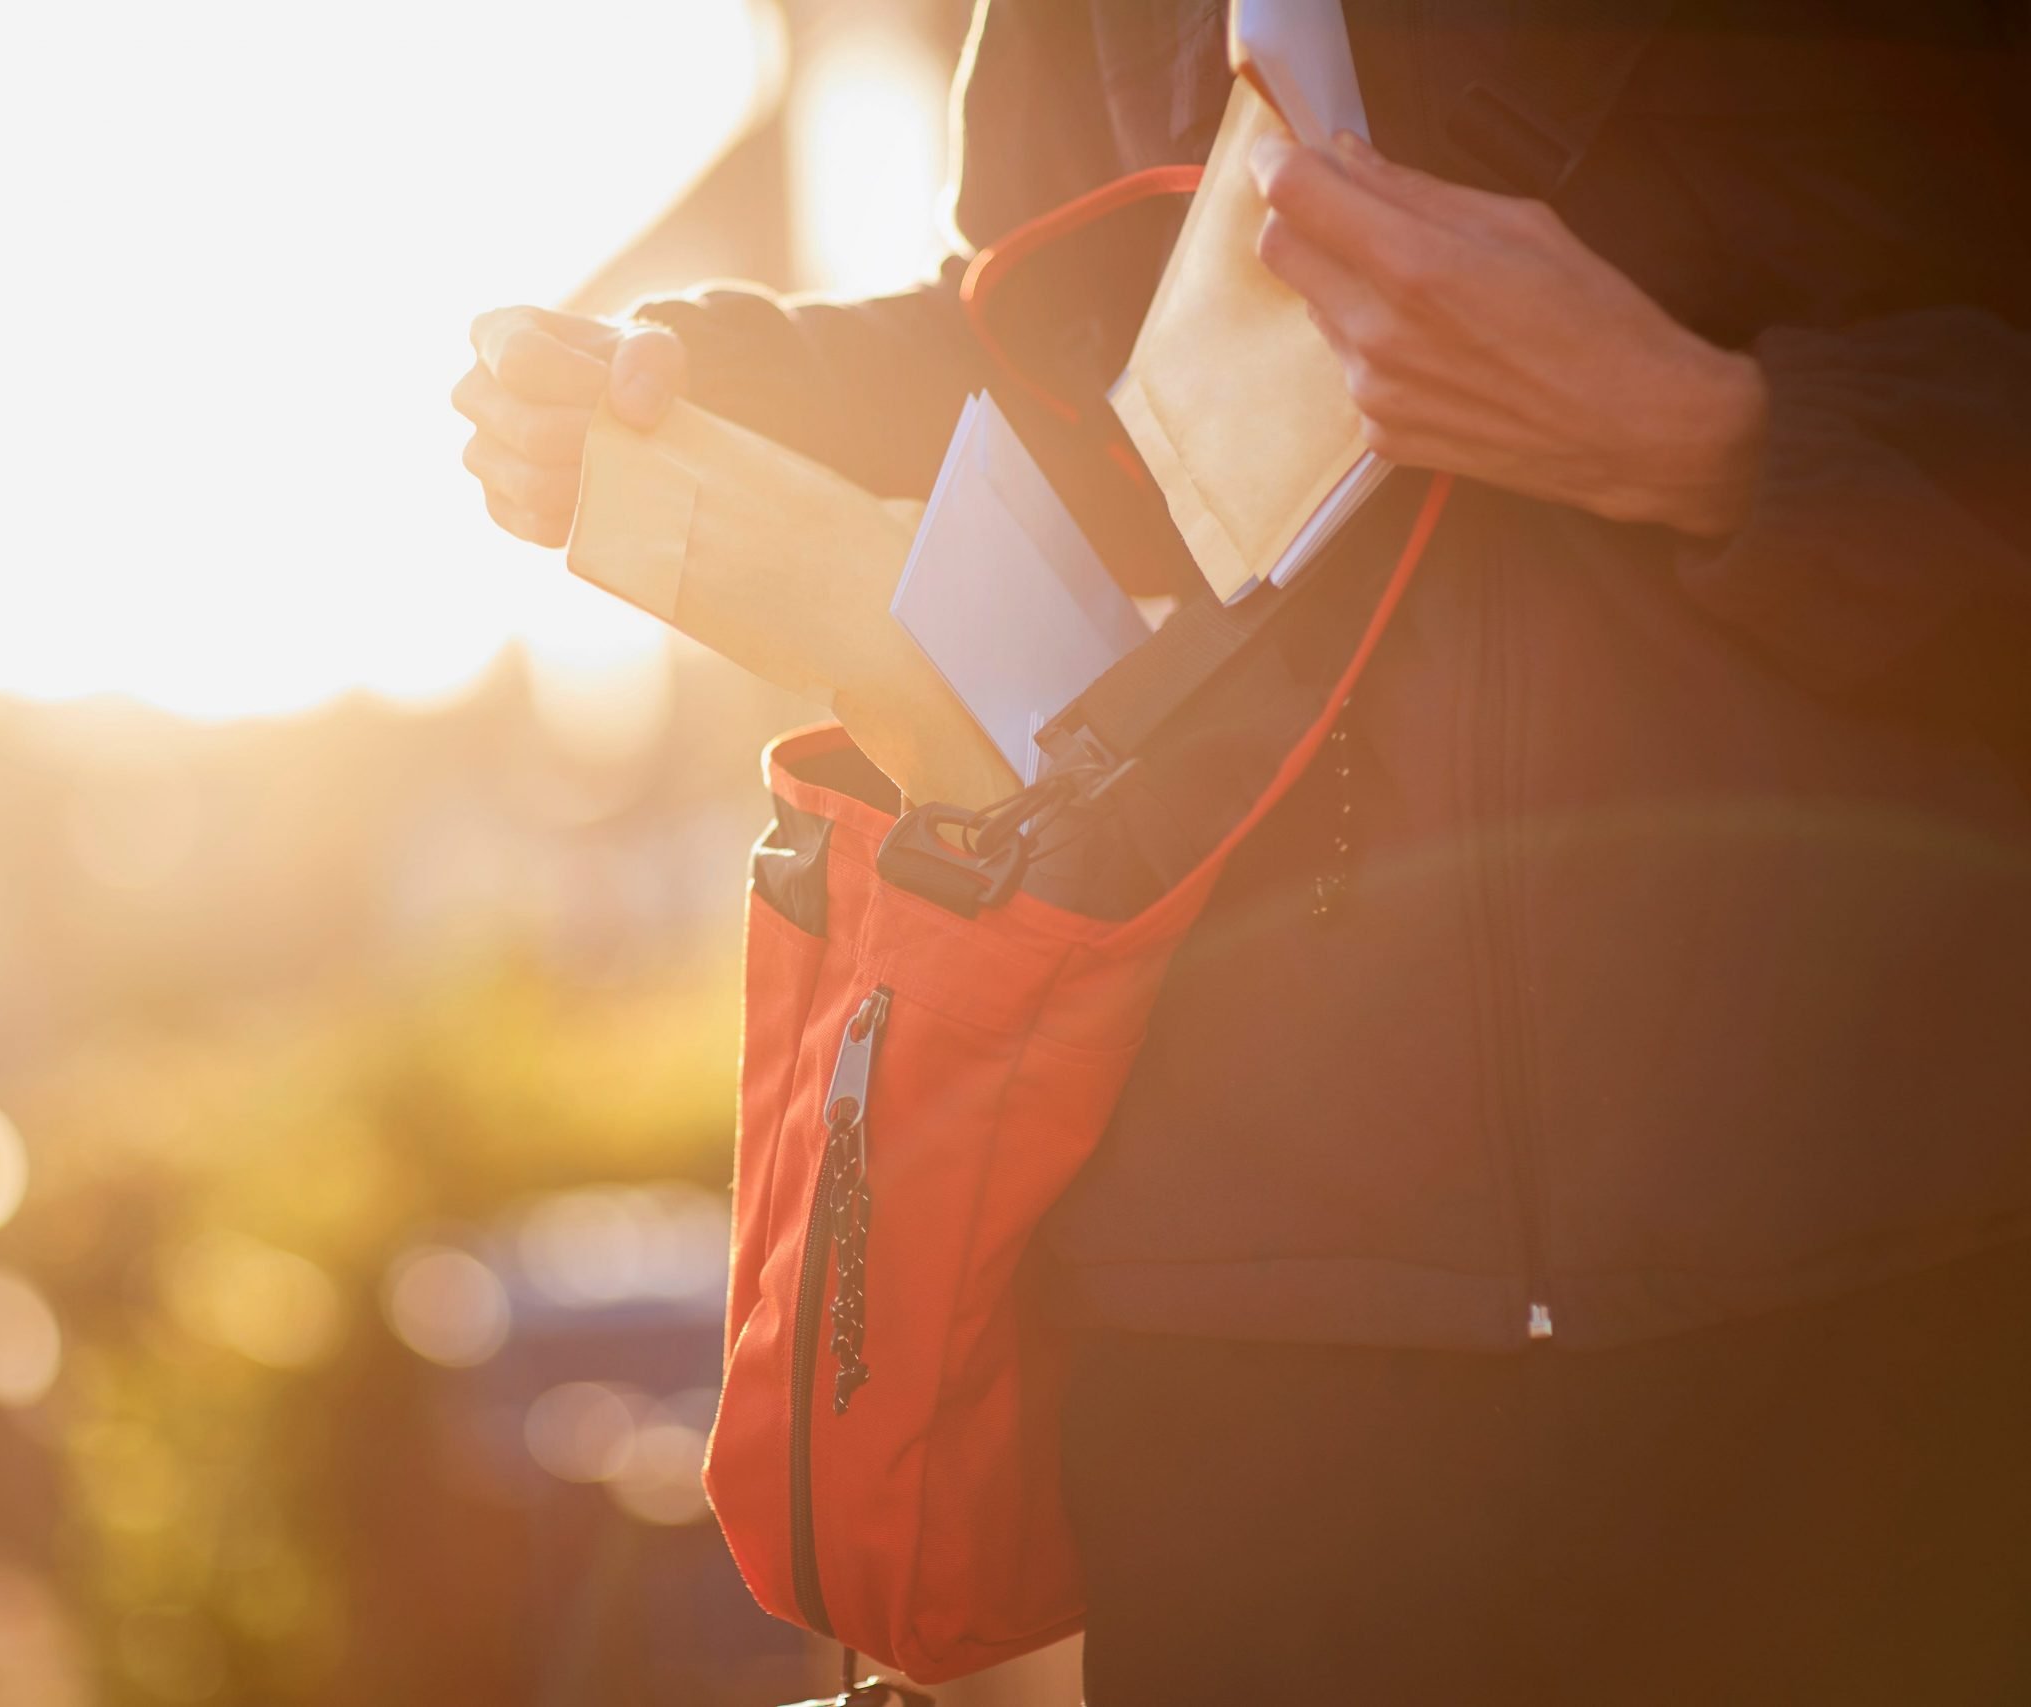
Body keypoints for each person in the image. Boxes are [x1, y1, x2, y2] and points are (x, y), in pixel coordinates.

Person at [455, 3, 2031, 1701]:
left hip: (1871, 1251)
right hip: (1238, 1306)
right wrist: (712, 388)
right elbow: (1059, 373)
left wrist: (1723, 437)